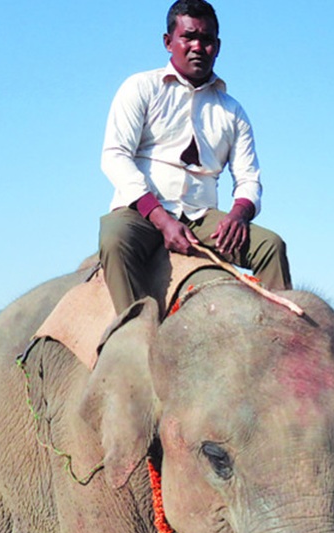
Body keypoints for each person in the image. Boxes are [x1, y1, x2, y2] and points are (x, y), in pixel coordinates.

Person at [98, 0, 290, 313]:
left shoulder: (232, 111)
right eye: (188, 37)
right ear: (168, 42)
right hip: (143, 211)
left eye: (207, 40)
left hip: (203, 217)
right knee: (114, 239)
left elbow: (248, 177)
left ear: (218, 46)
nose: (198, 47)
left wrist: (239, 214)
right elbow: (115, 156)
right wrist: (160, 218)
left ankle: (284, 346)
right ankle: (130, 332)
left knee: (271, 246)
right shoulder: (140, 88)